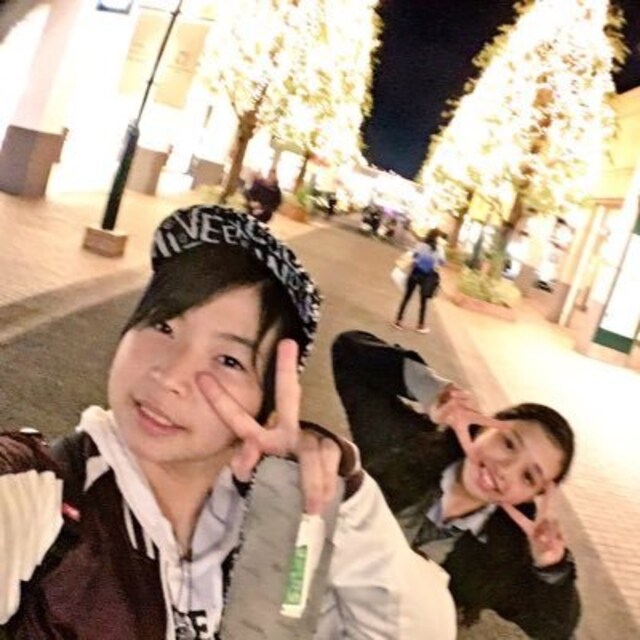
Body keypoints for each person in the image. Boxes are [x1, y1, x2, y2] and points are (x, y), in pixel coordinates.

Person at [0, 206, 457, 639]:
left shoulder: (278, 528)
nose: (171, 376)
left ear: (268, 407)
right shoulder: (42, 495)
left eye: (228, 360)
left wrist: (347, 498)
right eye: (164, 326)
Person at [332, 330, 581, 640]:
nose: (505, 470)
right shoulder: (403, 444)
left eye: (528, 477)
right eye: (508, 443)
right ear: (484, 426)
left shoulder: (499, 557)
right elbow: (348, 351)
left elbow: (555, 629)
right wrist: (431, 390)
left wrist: (552, 567)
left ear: (533, 496)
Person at [393, 228, 444, 334]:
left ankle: (398, 321)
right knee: (423, 302)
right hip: (426, 276)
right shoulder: (438, 250)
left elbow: (413, 255)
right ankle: (420, 325)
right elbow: (442, 262)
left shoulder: (420, 245)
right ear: (437, 238)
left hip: (415, 272)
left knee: (407, 297)